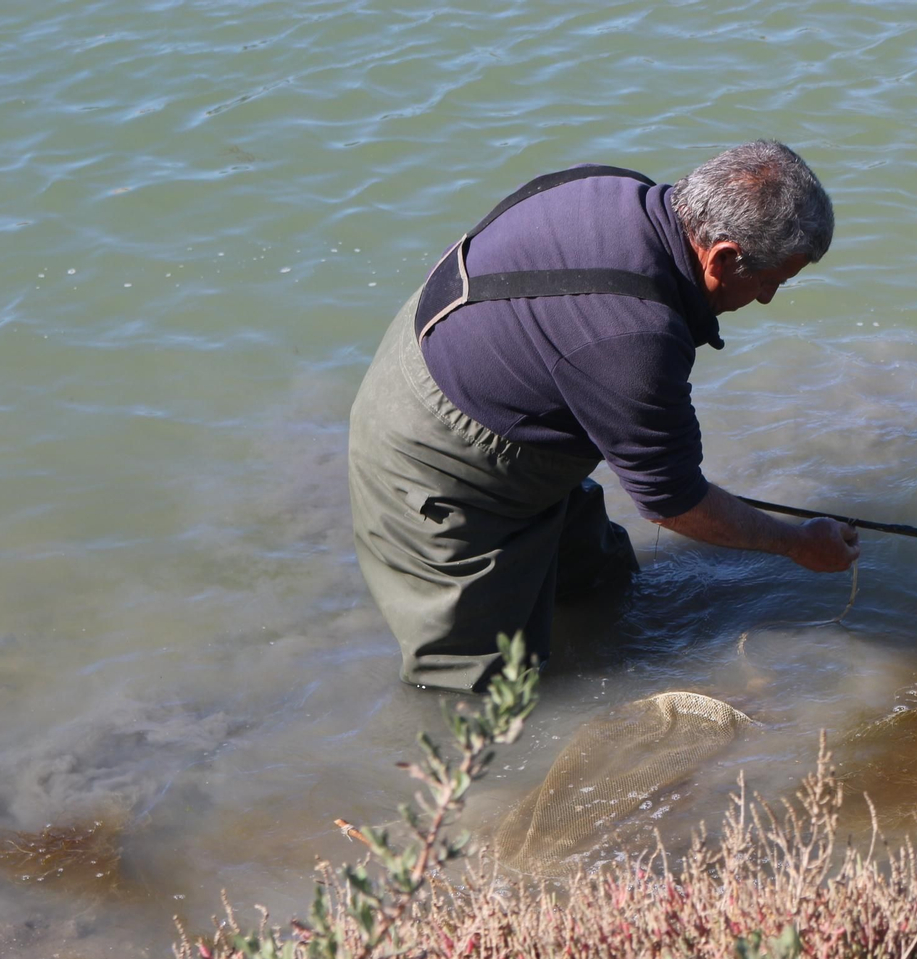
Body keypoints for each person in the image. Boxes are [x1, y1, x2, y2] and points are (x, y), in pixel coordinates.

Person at [347, 141, 860, 690]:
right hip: (432, 456)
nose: (766, 299)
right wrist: (795, 543)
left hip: (478, 367)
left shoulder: (615, 188)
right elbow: (673, 503)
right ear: (723, 257)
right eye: (770, 281)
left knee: (601, 583)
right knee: (486, 686)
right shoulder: (635, 337)